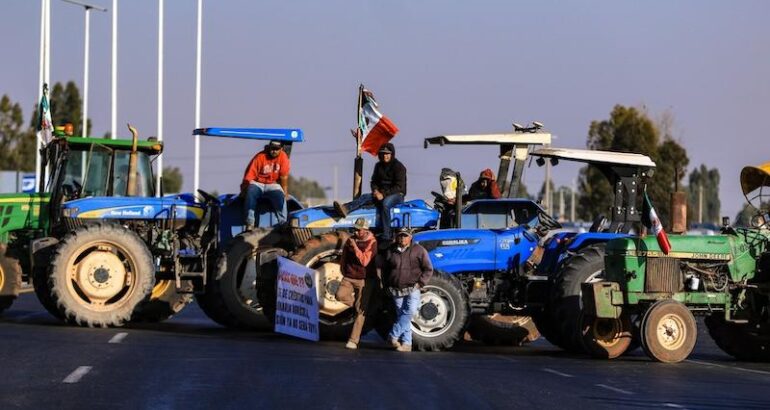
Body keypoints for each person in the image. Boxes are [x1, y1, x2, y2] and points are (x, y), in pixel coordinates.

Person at [334, 142, 407, 241]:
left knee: (385, 204)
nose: (385, 156)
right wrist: (375, 191)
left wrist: (383, 194)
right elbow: (374, 182)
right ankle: (345, 209)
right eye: (383, 154)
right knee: (365, 197)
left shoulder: (399, 167)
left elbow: (399, 187)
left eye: (387, 154)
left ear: (392, 154)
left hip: (396, 194)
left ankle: (387, 234)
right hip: (380, 193)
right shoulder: (378, 166)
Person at [381, 227, 433, 352]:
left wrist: (420, 283)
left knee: (410, 312)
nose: (402, 238)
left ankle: (393, 335)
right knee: (402, 316)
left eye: (405, 236)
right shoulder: (391, 250)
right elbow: (385, 270)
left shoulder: (419, 250)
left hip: (413, 288)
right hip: (396, 289)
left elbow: (428, 269)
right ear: (397, 237)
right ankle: (407, 344)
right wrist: (386, 285)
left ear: (410, 237)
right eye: (400, 235)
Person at [335, 218, 378, 350]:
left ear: (366, 230)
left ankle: (353, 340)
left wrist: (355, 247)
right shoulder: (350, 240)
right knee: (339, 295)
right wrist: (343, 270)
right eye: (355, 229)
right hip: (349, 276)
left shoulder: (372, 242)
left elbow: (365, 261)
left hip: (364, 279)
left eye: (359, 230)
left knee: (361, 312)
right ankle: (358, 307)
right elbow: (344, 256)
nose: (356, 232)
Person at [241, 140, 290, 229]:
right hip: (258, 183)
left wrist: (285, 193)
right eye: (272, 148)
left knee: (280, 196)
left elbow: (284, 177)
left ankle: (283, 223)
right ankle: (250, 223)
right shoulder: (260, 156)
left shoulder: (283, 157)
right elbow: (250, 175)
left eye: (276, 149)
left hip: (273, 184)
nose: (274, 151)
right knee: (251, 191)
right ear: (269, 147)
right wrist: (244, 189)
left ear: (281, 149)